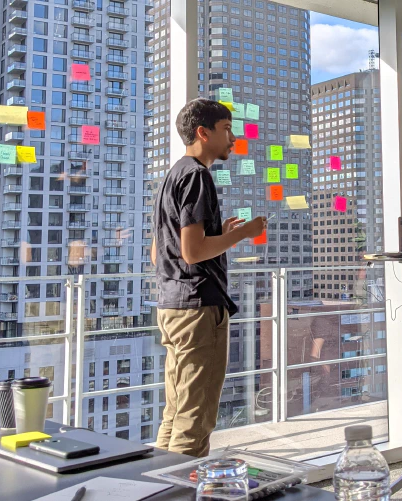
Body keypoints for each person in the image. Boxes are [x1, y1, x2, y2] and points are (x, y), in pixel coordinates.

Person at [151, 98, 267, 457]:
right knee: (195, 420)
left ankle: (156, 487)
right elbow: (193, 252)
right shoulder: (197, 175)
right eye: (227, 129)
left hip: (172, 306)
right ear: (203, 132)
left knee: (175, 412)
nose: (233, 138)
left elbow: (160, 251)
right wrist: (244, 232)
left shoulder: (173, 175)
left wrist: (221, 231)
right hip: (198, 309)